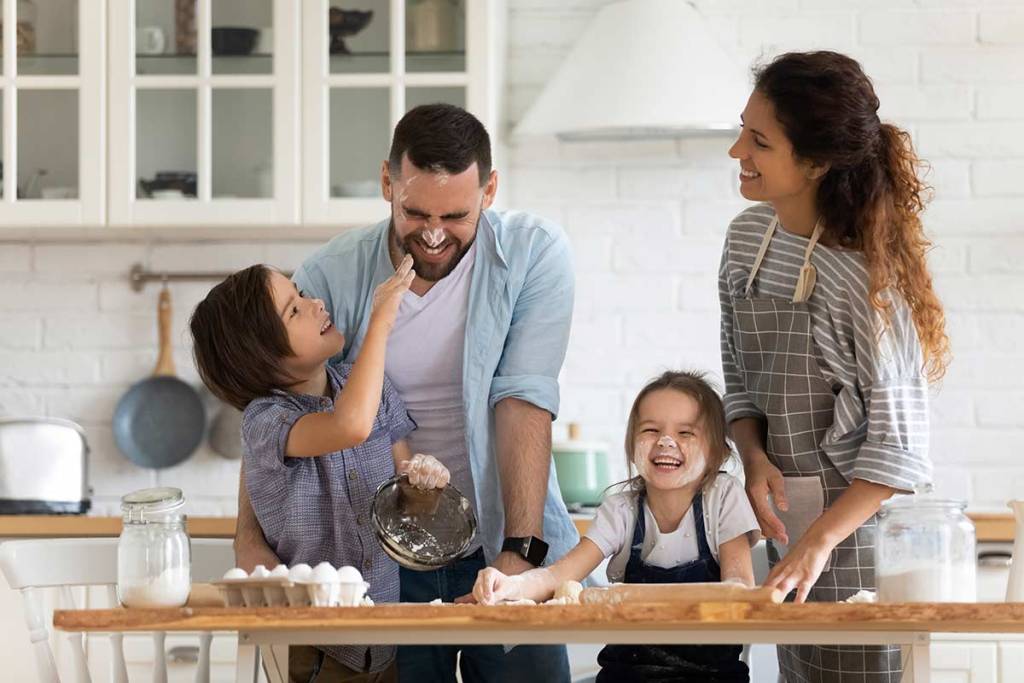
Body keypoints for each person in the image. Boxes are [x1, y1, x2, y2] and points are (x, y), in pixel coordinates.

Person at [233, 103, 577, 682]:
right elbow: (277, 413)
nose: (435, 234)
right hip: (384, 560)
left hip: (507, 541)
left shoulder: (533, 254)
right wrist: (248, 538)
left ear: (490, 190)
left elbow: (522, 401)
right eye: (415, 212)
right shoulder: (329, 278)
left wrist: (520, 553)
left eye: (456, 214)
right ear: (387, 183)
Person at [719, 51, 951, 682]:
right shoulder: (744, 241)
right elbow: (737, 377)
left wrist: (818, 541)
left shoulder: (864, 282)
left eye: (760, 141)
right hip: (787, 527)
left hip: (862, 548)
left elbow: (898, 450)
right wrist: (754, 455)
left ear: (816, 162)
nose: (738, 150)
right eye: (743, 129)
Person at [190, 257, 451, 682]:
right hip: (314, 651)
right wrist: (381, 321)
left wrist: (425, 482)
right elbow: (348, 426)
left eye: (303, 295)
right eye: (294, 310)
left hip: (383, 642)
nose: (316, 305)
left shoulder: (372, 388)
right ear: (262, 355)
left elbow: (406, 506)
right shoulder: (266, 421)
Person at [475, 371, 760, 683]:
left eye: (686, 433)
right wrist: (510, 586)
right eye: (651, 430)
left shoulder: (723, 497)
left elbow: (739, 589)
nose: (666, 442)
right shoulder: (621, 510)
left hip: (712, 675)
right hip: (628, 674)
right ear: (630, 445)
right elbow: (558, 575)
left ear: (717, 452)